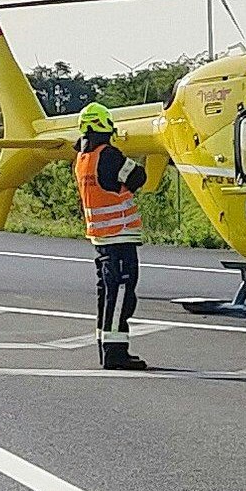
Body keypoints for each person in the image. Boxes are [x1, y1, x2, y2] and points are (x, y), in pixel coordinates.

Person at [74, 102, 149, 371]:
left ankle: (106, 350)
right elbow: (138, 176)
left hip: (102, 240)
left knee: (107, 296)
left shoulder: (83, 160)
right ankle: (116, 354)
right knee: (120, 297)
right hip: (119, 238)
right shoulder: (109, 155)